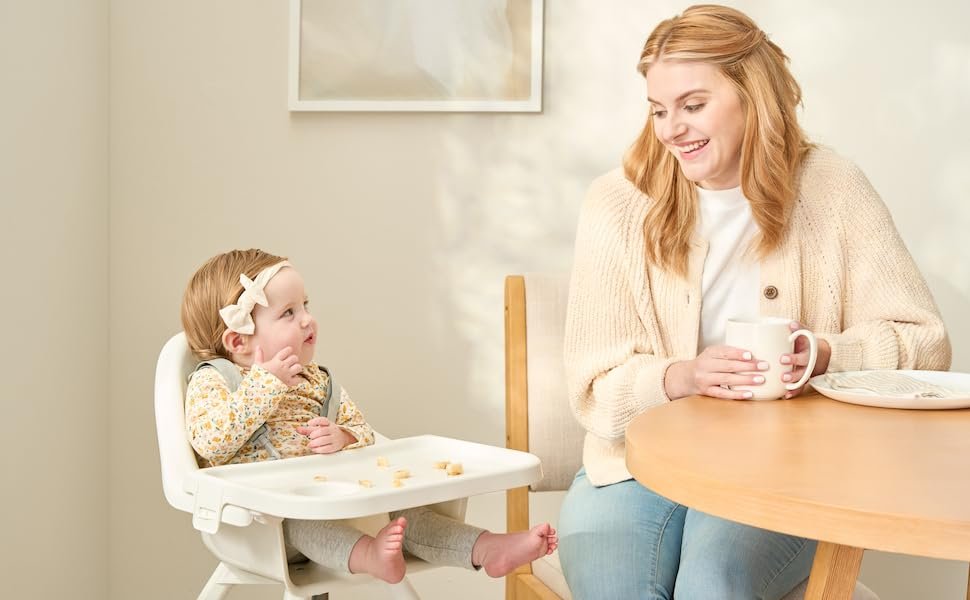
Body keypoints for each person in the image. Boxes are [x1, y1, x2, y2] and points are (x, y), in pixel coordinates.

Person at [557, 5, 951, 599]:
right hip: (632, 467)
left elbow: (924, 341)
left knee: (712, 587)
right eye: (659, 110)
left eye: (693, 105)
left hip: (788, 474)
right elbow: (593, 387)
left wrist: (823, 354)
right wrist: (681, 376)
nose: (672, 129)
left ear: (752, 94)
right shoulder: (617, 203)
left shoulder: (833, 188)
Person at [181, 248, 557, 583]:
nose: (307, 320)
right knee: (301, 521)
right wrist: (264, 384)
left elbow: (365, 433)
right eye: (288, 313)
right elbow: (211, 444)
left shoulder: (317, 381)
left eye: (306, 306)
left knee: (408, 513)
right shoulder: (216, 380)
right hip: (259, 528)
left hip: (340, 506)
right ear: (237, 341)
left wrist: (344, 436)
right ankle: (368, 556)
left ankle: (486, 548)